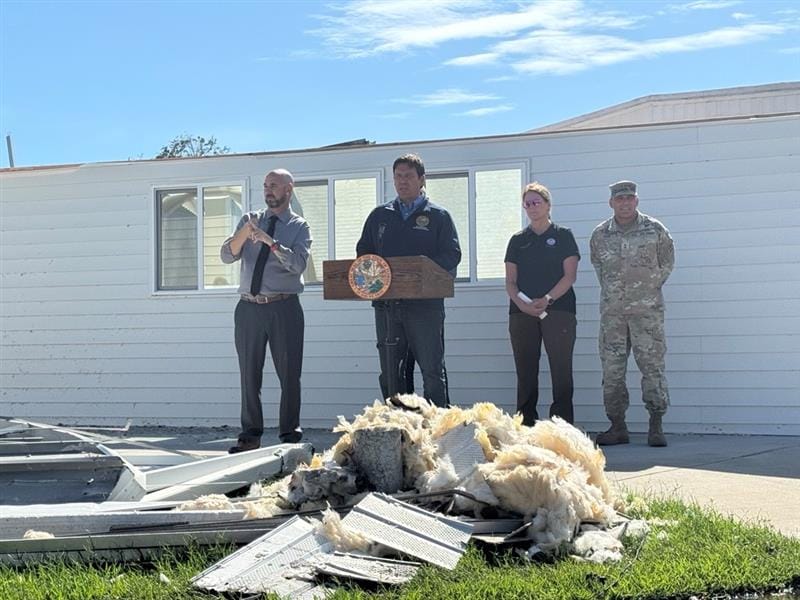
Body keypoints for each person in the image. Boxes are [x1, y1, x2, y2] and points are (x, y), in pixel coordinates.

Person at [356, 153, 461, 407]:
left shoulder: (439, 216)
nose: (402, 181)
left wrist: (421, 271)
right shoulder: (379, 216)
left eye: (409, 176)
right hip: (387, 307)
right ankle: (400, 428)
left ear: (422, 179)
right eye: (398, 177)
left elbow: (452, 255)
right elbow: (364, 254)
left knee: (432, 371)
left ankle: (438, 431)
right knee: (392, 374)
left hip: (425, 307)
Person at [220, 169, 312, 453]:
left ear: (289, 189)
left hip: (284, 307)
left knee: (289, 374)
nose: (268, 190)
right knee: (249, 373)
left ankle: (289, 436)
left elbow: (297, 265)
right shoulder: (249, 219)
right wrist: (245, 233)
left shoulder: (299, 226)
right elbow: (226, 255)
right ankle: (250, 435)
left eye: (274, 185)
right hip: (249, 308)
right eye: (265, 186)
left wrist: (269, 241)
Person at [590, 180, 675, 447]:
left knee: (652, 369)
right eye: (619, 199)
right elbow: (599, 268)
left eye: (629, 198)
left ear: (636, 201)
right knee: (612, 372)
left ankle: (656, 424)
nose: (625, 203)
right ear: (611, 203)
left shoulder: (655, 230)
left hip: (646, 314)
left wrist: (645, 290)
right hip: (613, 316)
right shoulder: (600, 234)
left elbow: (666, 265)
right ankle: (617, 426)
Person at [504, 182, 580, 426]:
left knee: (561, 370)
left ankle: (563, 425)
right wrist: (523, 304)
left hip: (558, 311)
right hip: (522, 313)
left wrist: (547, 299)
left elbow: (569, 276)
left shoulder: (563, 236)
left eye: (537, 202)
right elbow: (510, 281)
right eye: (527, 204)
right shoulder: (517, 240)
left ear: (548, 205)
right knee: (525, 372)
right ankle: (526, 424)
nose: (532, 207)